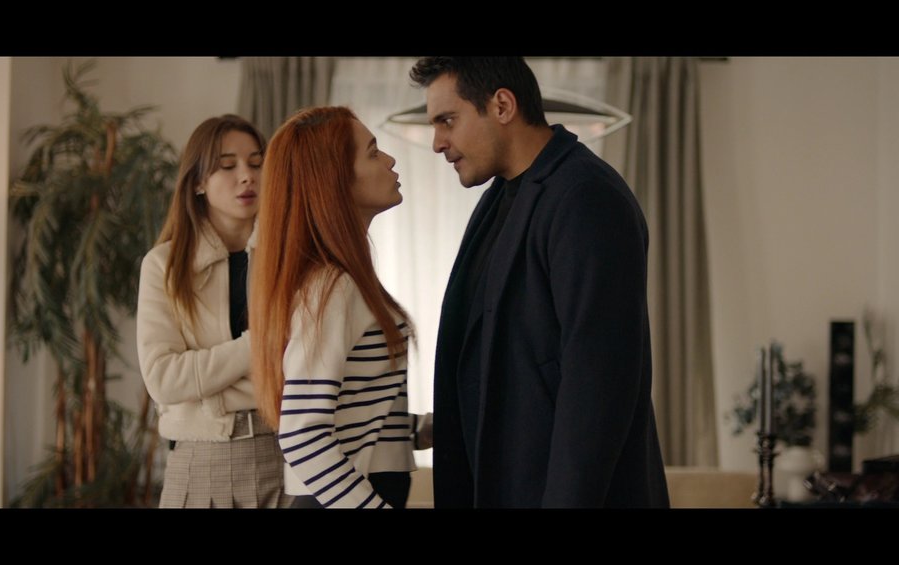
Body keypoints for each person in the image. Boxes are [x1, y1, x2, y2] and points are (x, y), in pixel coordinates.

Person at [410, 57, 669, 508]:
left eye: (447, 121)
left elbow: (597, 389)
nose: (438, 143)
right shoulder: (500, 199)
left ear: (503, 106)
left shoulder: (587, 196)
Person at [249, 106, 432, 509]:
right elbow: (302, 435)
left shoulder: (344, 280)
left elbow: (355, 416)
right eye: (373, 153)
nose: (390, 160)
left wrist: (424, 428)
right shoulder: (333, 287)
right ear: (334, 180)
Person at [136, 114, 291, 508]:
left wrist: (207, 377)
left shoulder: (290, 258)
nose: (247, 176)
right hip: (201, 462)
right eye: (227, 166)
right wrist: (258, 346)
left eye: (256, 163)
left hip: (286, 454)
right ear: (198, 182)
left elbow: (302, 365)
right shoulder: (163, 265)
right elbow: (163, 379)